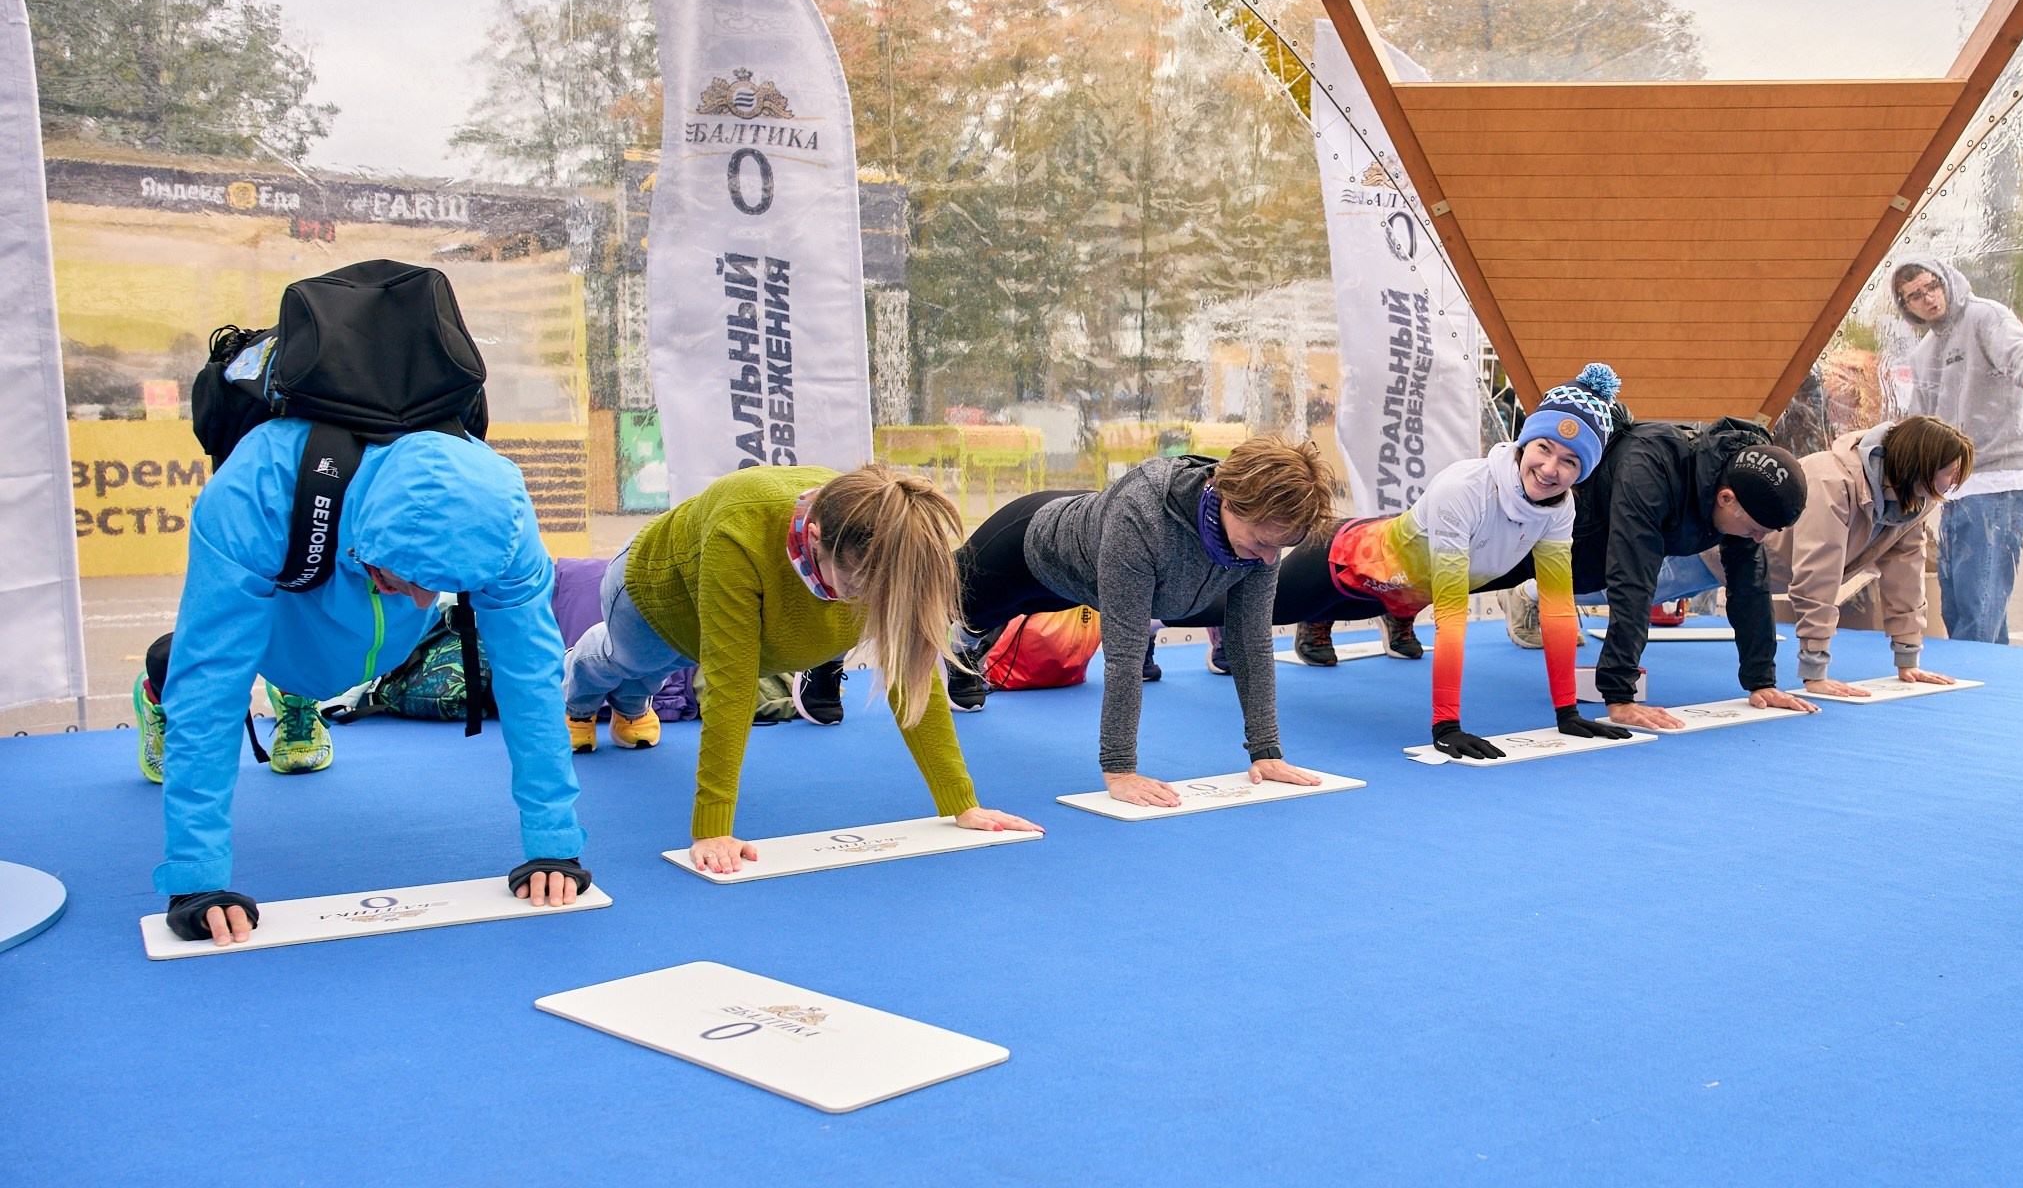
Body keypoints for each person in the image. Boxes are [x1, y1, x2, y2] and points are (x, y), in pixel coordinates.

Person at [147, 423, 589, 946]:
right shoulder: (256, 489)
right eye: (406, 577)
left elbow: (530, 676)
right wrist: (196, 880)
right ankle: (165, 694)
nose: (427, 600)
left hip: (381, 641)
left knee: (417, 624)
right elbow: (211, 684)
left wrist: (554, 841)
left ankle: (307, 690)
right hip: (283, 631)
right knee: (197, 666)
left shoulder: (496, 515)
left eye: (441, 586)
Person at [564, 464, 1041, 873]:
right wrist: (713, 828)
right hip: (654, 597)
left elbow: (914, 675)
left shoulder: (889, 544)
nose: (868, 604)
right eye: (858, 588)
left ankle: (629, 704)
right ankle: (577, 687)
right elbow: (730, 685)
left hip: (725, 629)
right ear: (814, 538)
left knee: (648, 682)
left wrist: (961, 803)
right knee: (625, 661)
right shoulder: (742, 527)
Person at [948, 436, 1335, 806]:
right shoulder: (1143, 513)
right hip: (1026, 550)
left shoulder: (1264, 535)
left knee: (1220, 613)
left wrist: (1266, 749)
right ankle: (967, 643)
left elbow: (1250, 641)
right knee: (961, 608)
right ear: (1229, 500)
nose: (1270, 559)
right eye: (1261, 543)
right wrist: (1119, 770)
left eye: (1279, 547)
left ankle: (980, 633)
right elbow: (1125, 654)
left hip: (1097, 579)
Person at [1276, 365, 1624, 759]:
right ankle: (1274, 623)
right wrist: (1446, 726)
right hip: (1339, 562)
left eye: (1570, 461)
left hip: (1402, 590)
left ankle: (1381, 616)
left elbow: (1558, 608)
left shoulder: (1560, 509)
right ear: (1524, 443)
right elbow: (1453, 613)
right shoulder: (1464, 489)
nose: (1549, 469)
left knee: (1392, 595)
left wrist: (1568, 710)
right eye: (1544, 448)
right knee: (1234, 612)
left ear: (1582, 473)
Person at [1526, 416, 1819, 725]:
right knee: (1522, 577)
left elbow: (1751, 587)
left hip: (1608, 541)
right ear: (1725, 498)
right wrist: (1620, 695)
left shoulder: (1738, 487)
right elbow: (1633, 582)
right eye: (1754, 529)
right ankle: (1526, 594)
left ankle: (1532, 592)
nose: (1759, 538)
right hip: (1560, 536)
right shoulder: (1650, 471)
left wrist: (1762, 682)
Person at [1888, 255, 2023, 645]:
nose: (1928, 298)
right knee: (1960, 600)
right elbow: (1919, 423)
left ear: (1946, 281)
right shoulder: (1924, 353)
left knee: (1977, 599)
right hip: (1955, 483)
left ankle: (1971, 681)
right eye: (1915, 295)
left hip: (2000, 472)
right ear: (1906, 306)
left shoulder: (1985, 316)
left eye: (1932, 286)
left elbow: (2017, 350)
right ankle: (1990, 680)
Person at [1767, 416, 1974, 697]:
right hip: (1715, 554)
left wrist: (1907, 660)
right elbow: (1818, 575)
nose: (1956, 481)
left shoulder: (1914, 501)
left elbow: (1906, 575)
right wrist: (1814, 672)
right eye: (1952, 471)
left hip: (1767, 572)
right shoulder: (1831, 482)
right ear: (1922, 465)